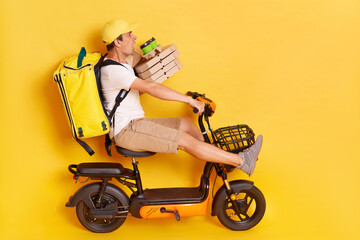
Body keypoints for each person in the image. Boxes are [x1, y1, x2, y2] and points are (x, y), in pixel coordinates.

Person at [100, 19, 263, 176]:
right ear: (117, 42)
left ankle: (221, 160)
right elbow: (151, 88)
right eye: (129, 34)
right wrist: (188, 100)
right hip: (127, 131)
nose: (134, 37)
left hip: (137, 124)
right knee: (184, 140)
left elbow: (136, 90)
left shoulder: (122, 65)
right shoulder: (114, 71)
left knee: (186, 123)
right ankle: (241, 161)